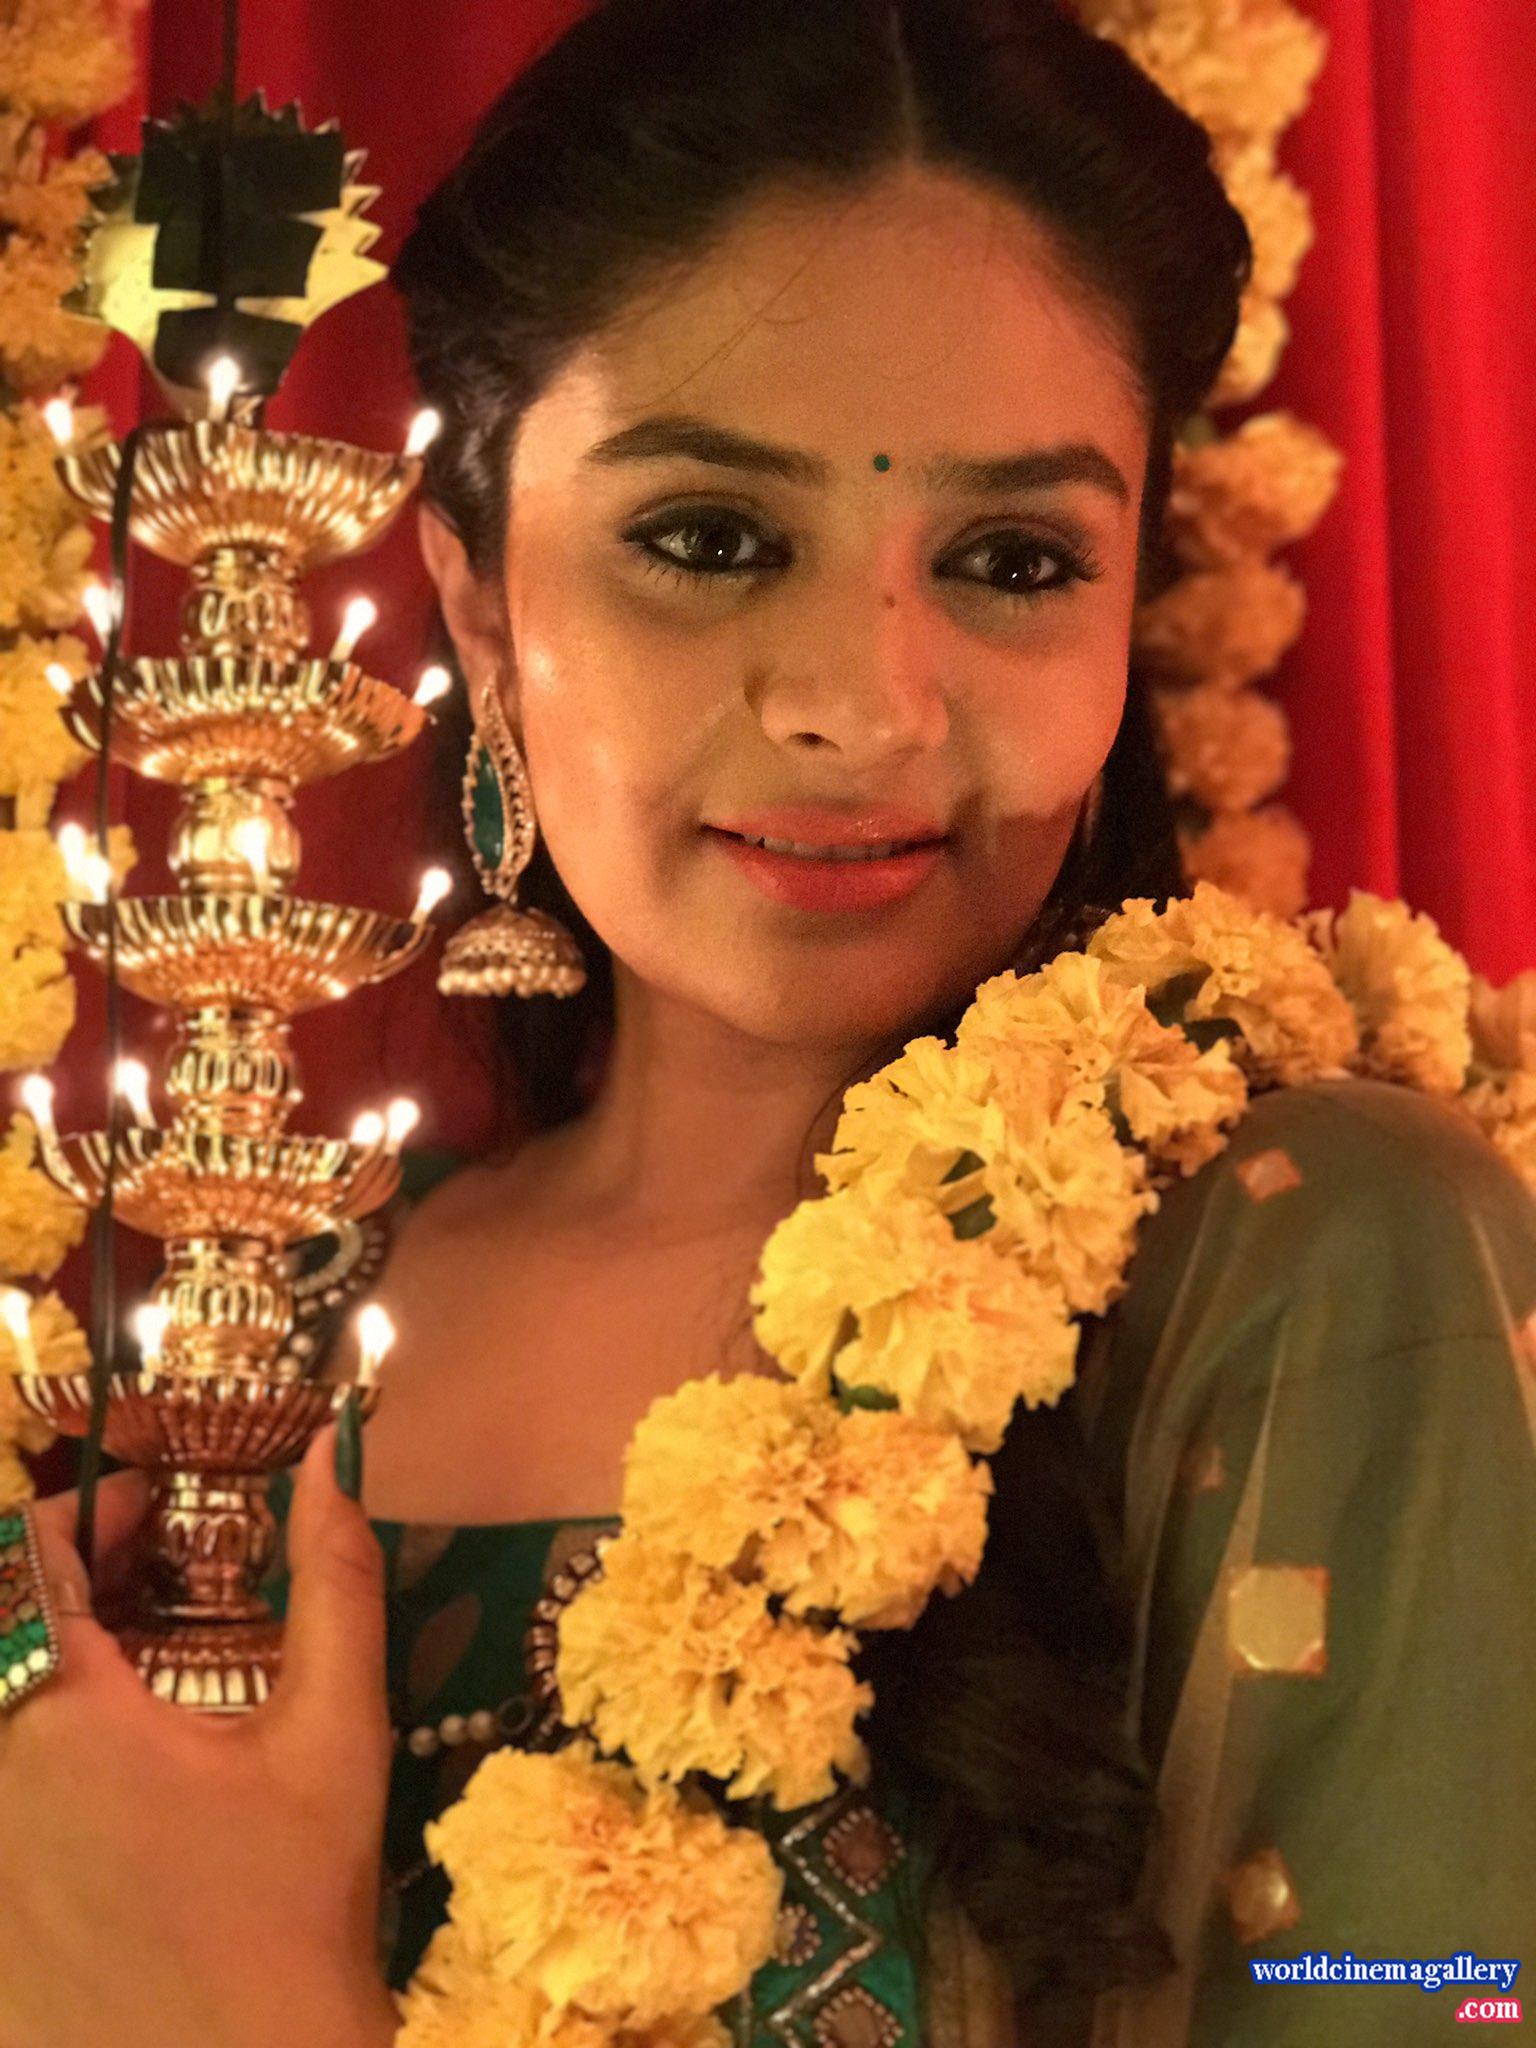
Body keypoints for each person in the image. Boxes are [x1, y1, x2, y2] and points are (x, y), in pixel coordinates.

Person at [5, 2, 1533, 2045]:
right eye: (711, 539)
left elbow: (1439, 1991)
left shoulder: (1311, 1254)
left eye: (1011, 559)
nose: (861, 707)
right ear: (478, 602)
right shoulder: (250, 1362)